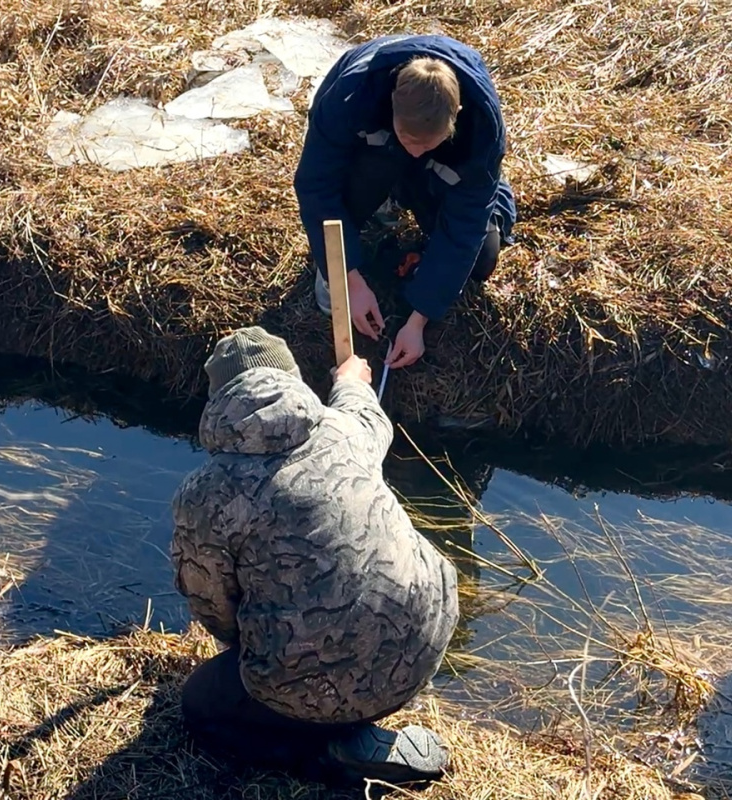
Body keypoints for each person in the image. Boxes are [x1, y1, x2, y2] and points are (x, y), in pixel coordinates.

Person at [171, 326, 459, 786]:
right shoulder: (343, 431)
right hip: (423, 649)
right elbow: (364, 409)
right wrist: (349, 379)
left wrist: (253, 646)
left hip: (319, 685)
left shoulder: (206, 493)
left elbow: (213, 606)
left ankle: (329, 754)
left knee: (201, 706)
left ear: (219, 399)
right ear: (292, 380)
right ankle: (353, 721)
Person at [294, 34, 516, 369]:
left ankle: (413, 182)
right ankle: (378, 198)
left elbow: (465, 225)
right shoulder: (351, 96)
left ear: (455, 115)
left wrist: (417, 321)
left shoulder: (482, 130)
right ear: (393, 105)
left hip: (439, 169)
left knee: (483, 256)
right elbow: (316, 184)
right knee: (376, 170)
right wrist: (348, 279)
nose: (415, 150)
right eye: (408, 139)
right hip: (374, 151)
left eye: (425, 145)